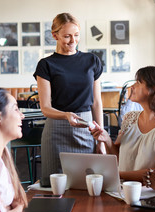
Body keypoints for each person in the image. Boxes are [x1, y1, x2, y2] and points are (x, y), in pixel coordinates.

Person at [33, 13, 105, 187]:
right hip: (56, 131)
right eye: (67, 36)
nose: (73, 40)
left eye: (76, 35)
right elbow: (45, 108)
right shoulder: (46, 65)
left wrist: (101, 139)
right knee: (53, 185)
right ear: (54, 35)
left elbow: (96, 102)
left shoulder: (91, 61)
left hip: (86, 127)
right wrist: (66, 115)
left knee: (87, 183)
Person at [90, 66, 155, 182]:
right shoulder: (130, 118)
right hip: (122, 191)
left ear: (151, 89)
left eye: (138, 82)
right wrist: (107, 139)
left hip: (151, 196)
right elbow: (119, 159)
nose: (132, 86)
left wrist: (117, 174)